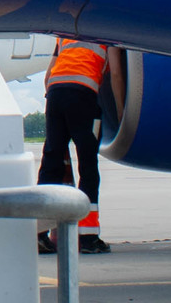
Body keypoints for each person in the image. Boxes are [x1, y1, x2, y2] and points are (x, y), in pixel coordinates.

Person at [36, 36, 122, 255]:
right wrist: (121, 113)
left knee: (51, 162)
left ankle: (38, 234)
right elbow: (116, 73)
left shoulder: (64, 36)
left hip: (55, 92)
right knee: (88, 165)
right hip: (82, 95)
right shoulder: (106, 31)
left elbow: (48, 75)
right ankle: (88, 238)